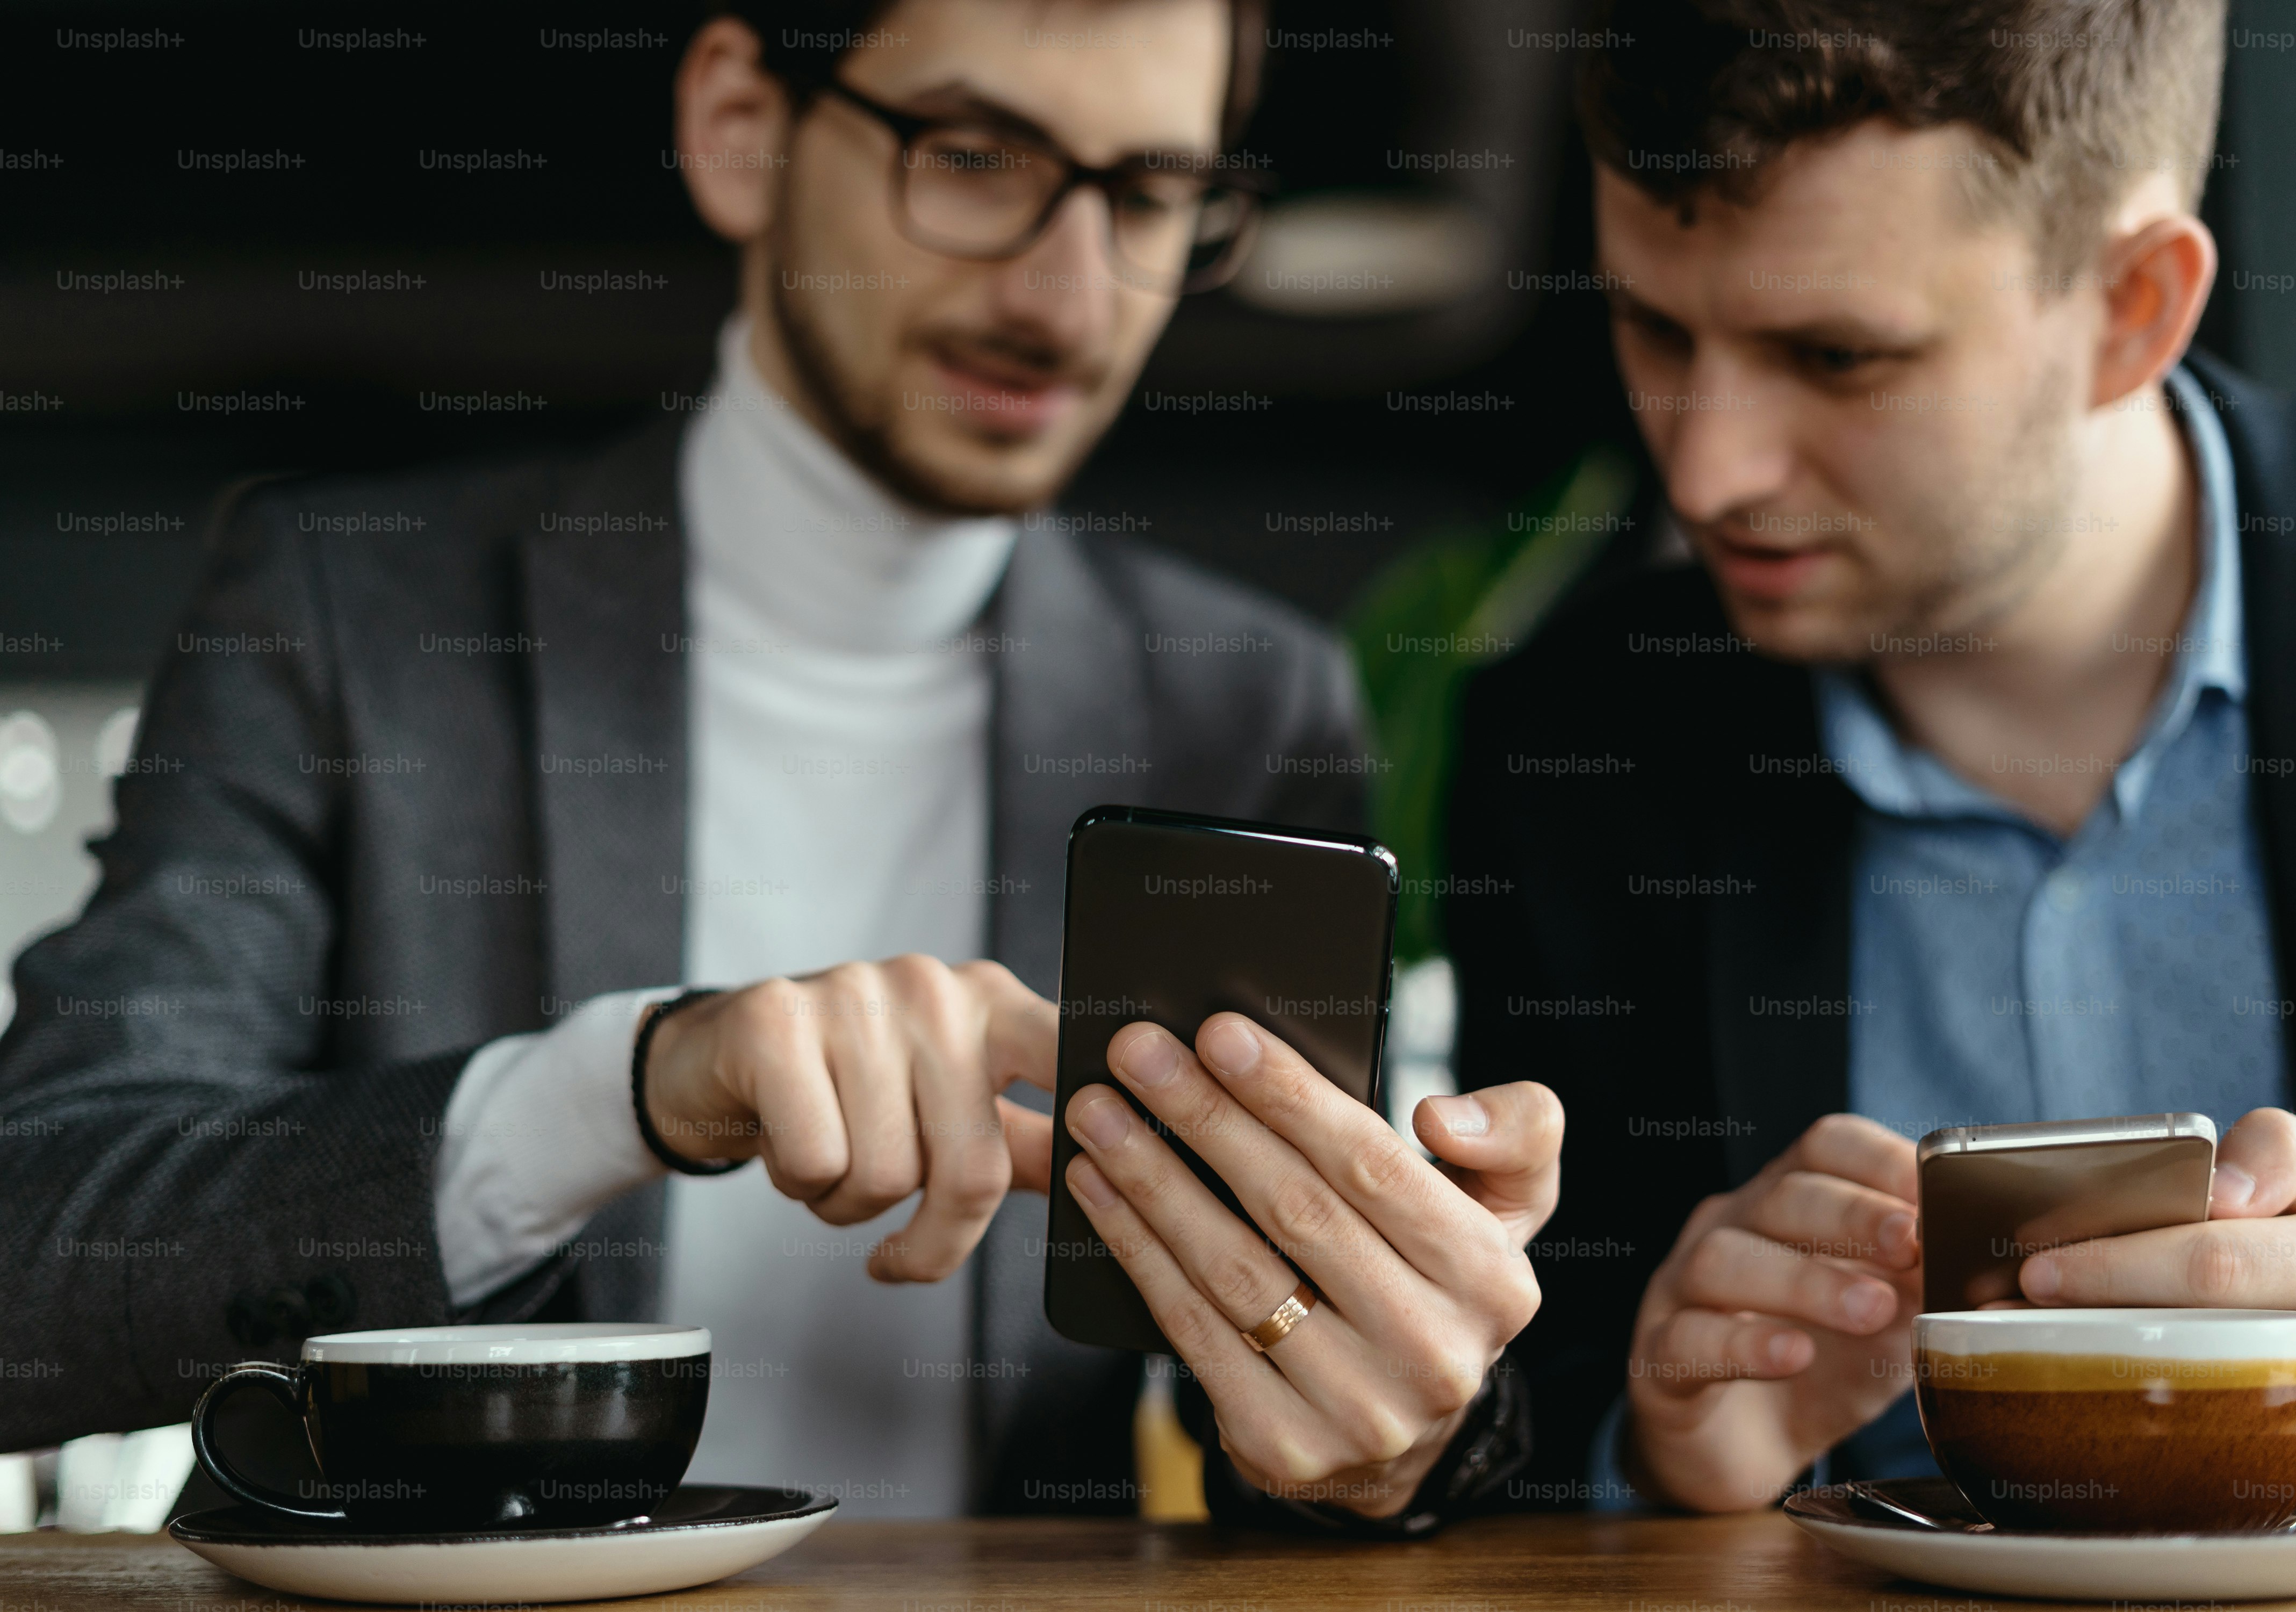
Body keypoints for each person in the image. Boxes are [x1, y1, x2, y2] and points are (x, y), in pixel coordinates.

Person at [0, 0, 1559, 1532]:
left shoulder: (1249, 707)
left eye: (1149, 195)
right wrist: (618, 1089)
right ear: (741, 127)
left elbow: (1246, 1424)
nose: (1068, 296)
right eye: (972, 155)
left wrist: (1397, 1405)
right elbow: (34, 1262)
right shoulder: (340, 609)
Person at [1449, 0, 2296, 1513]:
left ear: (2133, 307)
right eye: (1651, 326)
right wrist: (1664, 1462)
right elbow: (1530, 1422)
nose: (1705, 471)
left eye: (1832, 355)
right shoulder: (1575, 749)